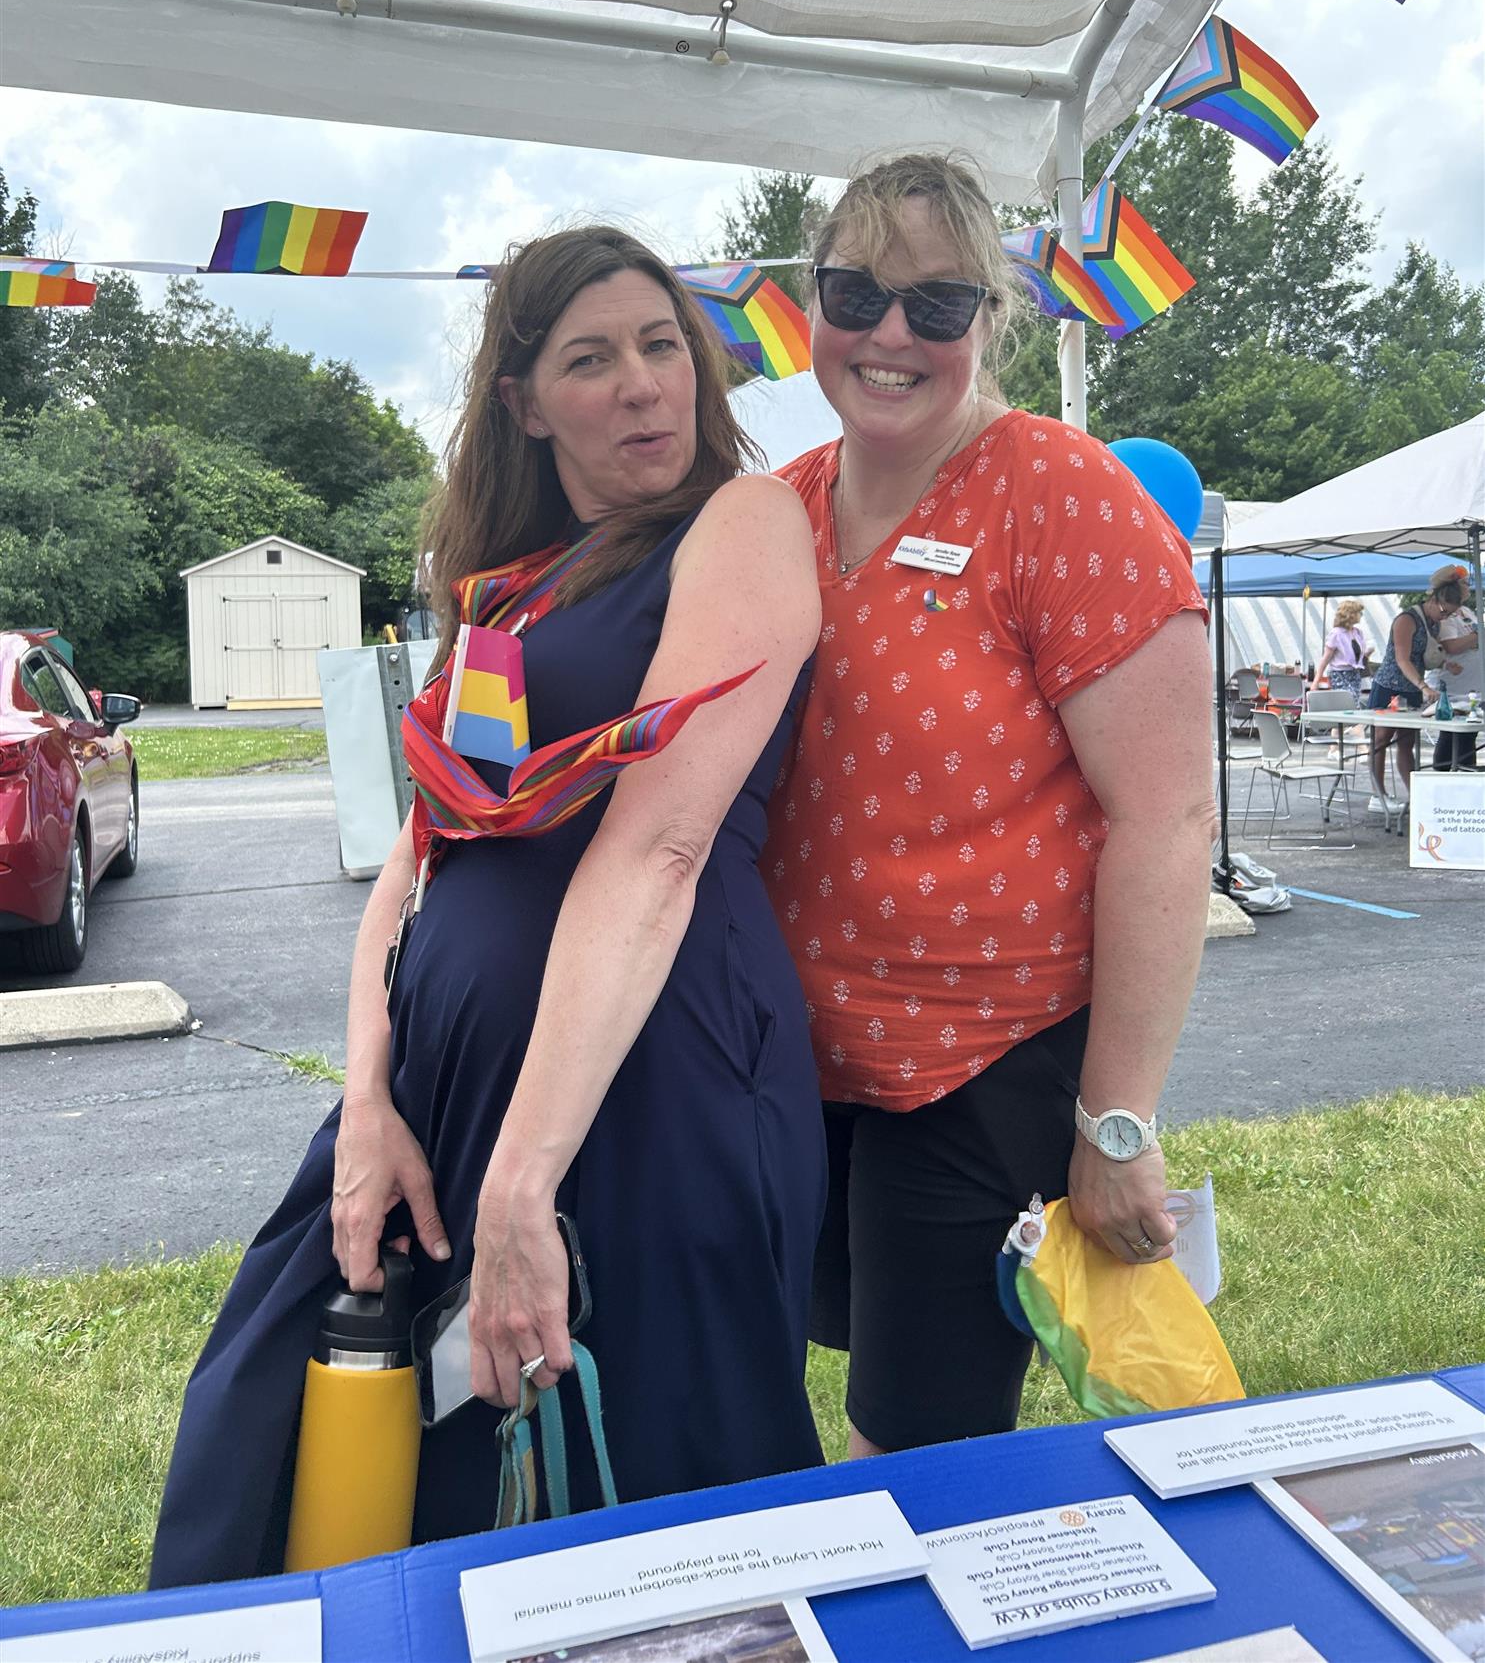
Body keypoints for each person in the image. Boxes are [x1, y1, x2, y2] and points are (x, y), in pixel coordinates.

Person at [151, 228, 825, 1584]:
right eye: (590, 359)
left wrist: (524, 1184)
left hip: (651, 1088)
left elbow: (659, 851)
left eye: (661, 346)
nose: (641, 384)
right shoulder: (509, 594)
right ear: (523, 404)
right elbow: (420, 864)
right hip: (445, 1102)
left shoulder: (741, 525)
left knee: (654, 1501)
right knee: (325, 1454)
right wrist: (367, 1101)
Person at [762, 152, 1214, 1460]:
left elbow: (1168, 822)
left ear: (990, 319)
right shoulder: (779, 510)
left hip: (982, 1061)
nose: (890, 334)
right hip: (790, 1060)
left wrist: (1116, 1124)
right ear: (811, 304)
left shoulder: (1063, 494)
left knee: (919, 1442)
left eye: (938, 304)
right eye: (857, 294)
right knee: (762, 1400)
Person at [1366, 569, 1464, 813]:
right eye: (1444, 611)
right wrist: (1424, 686)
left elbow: (1425, 655)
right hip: (1389, 687)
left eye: (1450, 614)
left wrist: (1444, 664)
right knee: (1380, 740)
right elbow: (1402, 659)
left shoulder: (1433, 623)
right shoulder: (1406, 620)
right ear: (1433, 599)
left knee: (1406, 743)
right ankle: (1378, 795)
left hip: (1411, 689)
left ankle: (1416, 796)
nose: (1445, 617)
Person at [1430, 571, 1479, 772]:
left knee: (1469, 734)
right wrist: (1478, 635)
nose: (1468, 587)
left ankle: (1467, 777)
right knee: (1451, 734)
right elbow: (1451, 646)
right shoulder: (1447, 615)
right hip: (1454, 686)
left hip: (1473, 686)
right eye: (1464, 583)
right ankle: (1442, 776)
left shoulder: (1466, 611)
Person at [1311, 599, 1370, 704]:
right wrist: (1316, 681)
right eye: (1359, 613)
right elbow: (1325, 659)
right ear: (1351, 615)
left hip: (1355, 673)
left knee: (1354, 702)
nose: (1361, 615)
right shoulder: (1336, 634)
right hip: (1339, 674)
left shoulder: (1358, 633)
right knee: (1347, 702)